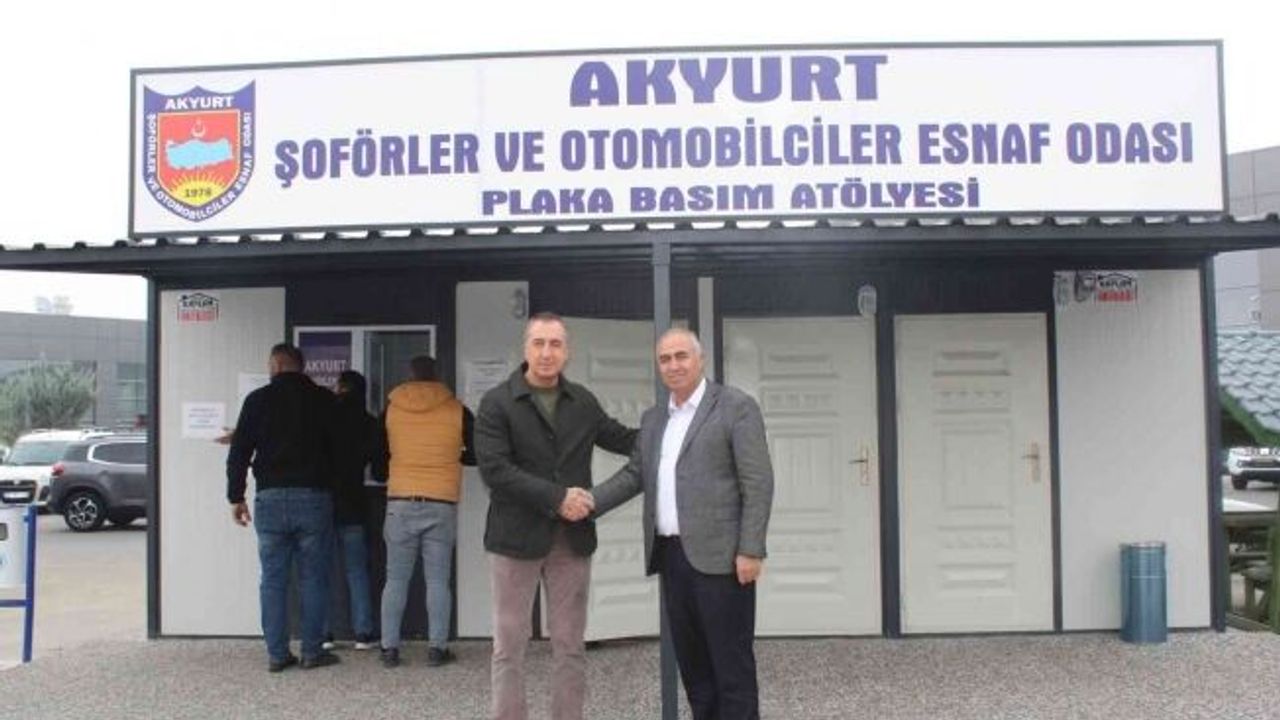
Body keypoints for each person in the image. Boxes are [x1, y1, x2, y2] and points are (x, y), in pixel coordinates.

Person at [591, 328, 774, 720]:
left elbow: (758, 482)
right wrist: (588, 503)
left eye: (681, 356)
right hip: (673, 558)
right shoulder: (655, 419)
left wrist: (751, 548)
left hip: (723, 561)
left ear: (700, 359)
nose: (673, 365)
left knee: (731, 667)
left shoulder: (735, 407)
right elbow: (634, 475)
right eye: (665, 359)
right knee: (695, 668)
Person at [476, 312, 637, 720]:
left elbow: (623, 439)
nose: (546, 353)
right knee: (509, 646)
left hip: (571, 541)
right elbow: (495, 470)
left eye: (555, 344)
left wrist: (671, 429)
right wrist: (558, 497)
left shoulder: (582, 401)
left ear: (567, 352)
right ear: (525, 348)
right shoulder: (497, 403)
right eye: (539, 343)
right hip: (514, 540)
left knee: (570, 646)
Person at [226, 342, 341, 672]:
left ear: (276, 365)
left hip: (271, 499)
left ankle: (277, 654)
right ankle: (312, 652)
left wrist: (236, 497)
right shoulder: (324, 400)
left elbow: (239, 452)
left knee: (273, 580)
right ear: (300, 366)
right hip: (314, 497)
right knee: (314, 578)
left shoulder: (257, 400)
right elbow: (339, 450)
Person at [378, 355, 476, 668]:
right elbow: (475, 454)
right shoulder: (457, 410)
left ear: (409, 375)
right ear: (438, 375)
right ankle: (437, 649)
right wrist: (454, 455)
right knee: (437, 581)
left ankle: (389, 649)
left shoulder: (391, 410)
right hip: (441, 502)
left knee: (395, 579)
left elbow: (379, 456)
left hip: (400, 501)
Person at [323, 370, 379, 651]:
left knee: (323, 570)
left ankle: (324, 633)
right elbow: (379, 468)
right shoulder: (369, 422)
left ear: (341, 387)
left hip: (324, 502)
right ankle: (363, 634)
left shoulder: (324, 418)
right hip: (354, 503)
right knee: (357, 571)